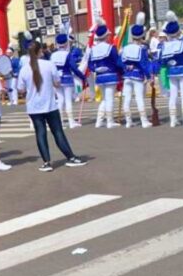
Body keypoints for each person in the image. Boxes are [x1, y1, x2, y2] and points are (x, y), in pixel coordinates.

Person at [19, 41, 88, 172]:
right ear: (41, 51)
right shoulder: (49, 65)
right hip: (49, 105)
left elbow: (21, 90)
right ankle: (71, 157)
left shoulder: (24, 69)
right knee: (57, 132)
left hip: (34, 107)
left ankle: (46, 162)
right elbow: (57, 83)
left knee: (40, 133)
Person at [50, 26, 89, 128]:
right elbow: (74, 69)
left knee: (60, 100)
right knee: (67, 100)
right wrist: (83, 77)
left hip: (56, 80)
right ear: (66, 43)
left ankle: (59, 122)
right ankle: (71, 122)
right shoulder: (68, 54)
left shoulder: (52, 55)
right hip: (67, 79)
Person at [87, 18, 123, 129]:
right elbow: (117, 62)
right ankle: (110, 121)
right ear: (106, 36)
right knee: (109, 98)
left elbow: (90, 65)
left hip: (100, 78)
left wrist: (97, 70)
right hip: (110, 76)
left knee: (104, 99)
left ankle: (99, 121)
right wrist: (123, 72)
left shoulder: (93, 49)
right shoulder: (111, 48)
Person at [121, 13, 153, 128]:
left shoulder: (125, 48)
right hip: (137, 76)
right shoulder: (142, 49)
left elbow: (121, 62)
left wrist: (126, 68)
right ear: (142, 35)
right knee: (139, 98)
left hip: (127, 76)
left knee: (127, 98)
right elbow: (143, 64)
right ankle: (144, 121)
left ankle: (128, 121)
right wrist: (149, 77)